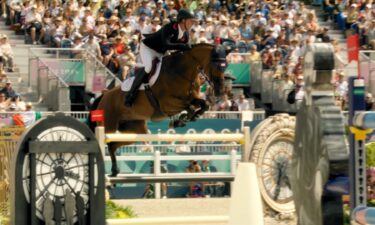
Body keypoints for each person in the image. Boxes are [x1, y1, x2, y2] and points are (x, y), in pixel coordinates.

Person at [124, 8, 196, 107]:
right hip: (148, 48)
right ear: (183, 20)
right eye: (191, 21)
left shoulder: (186, 34)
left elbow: (185, 50)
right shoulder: (170, 27)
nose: (192, 23)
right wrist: (182, 46)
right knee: (149, 67)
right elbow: (167, 44)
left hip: (161, 52)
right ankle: (130, 94)